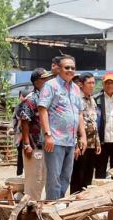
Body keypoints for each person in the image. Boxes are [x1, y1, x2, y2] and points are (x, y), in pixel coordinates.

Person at [38, 55, 87, 200]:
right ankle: (52, 209)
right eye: (67, 67)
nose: (70, 70)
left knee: (66, 177)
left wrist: (82, 135)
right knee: (54, 179)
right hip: (55, 140)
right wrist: (47, 135)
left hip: (70, 141)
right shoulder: (51, 85)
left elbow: (79, 113)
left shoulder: (76, 89)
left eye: (72, 68)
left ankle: (59, 205)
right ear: (59, 69)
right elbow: (42, 109)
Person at [18, 68, 55, 200]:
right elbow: (25, 121)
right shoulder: (31, 100)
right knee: (35, 180)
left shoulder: (48, 98)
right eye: (45, 79)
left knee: (43, 178)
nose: (48, 81)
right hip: (34, 146)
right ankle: (30, 209)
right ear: (37, 82)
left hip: (46, 146)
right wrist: (26, 144)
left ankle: (37, 208)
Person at [70, 73, 101, 193]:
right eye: (89, 83)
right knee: (78, 174)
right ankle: (73, 201)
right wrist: (76, 144)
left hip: (92, 143)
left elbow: (94, 122)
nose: (92, 86)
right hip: (81, 143)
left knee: (88, 174)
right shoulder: (77, 99)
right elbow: (75, 122)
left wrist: (97, 142)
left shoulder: (92, 99)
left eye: (94, 83)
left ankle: (85, 200)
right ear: (81, 84)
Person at [94, 72, 113, 179]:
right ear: (103, 84)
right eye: (106, 82)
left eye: (111, 82)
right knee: (100, 170)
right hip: (102, 141)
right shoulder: (96, 99)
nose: (109, 85)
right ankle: (100, 194)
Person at [14, 87, 33, 177]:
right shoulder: (19, 107)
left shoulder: (27, 105)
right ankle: (20, 174)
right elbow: (16, 120)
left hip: (29, 136)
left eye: (21, 95)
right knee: (21, 156)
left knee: (27, 156)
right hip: (21, 135)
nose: (20, 97)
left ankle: (26, 174)